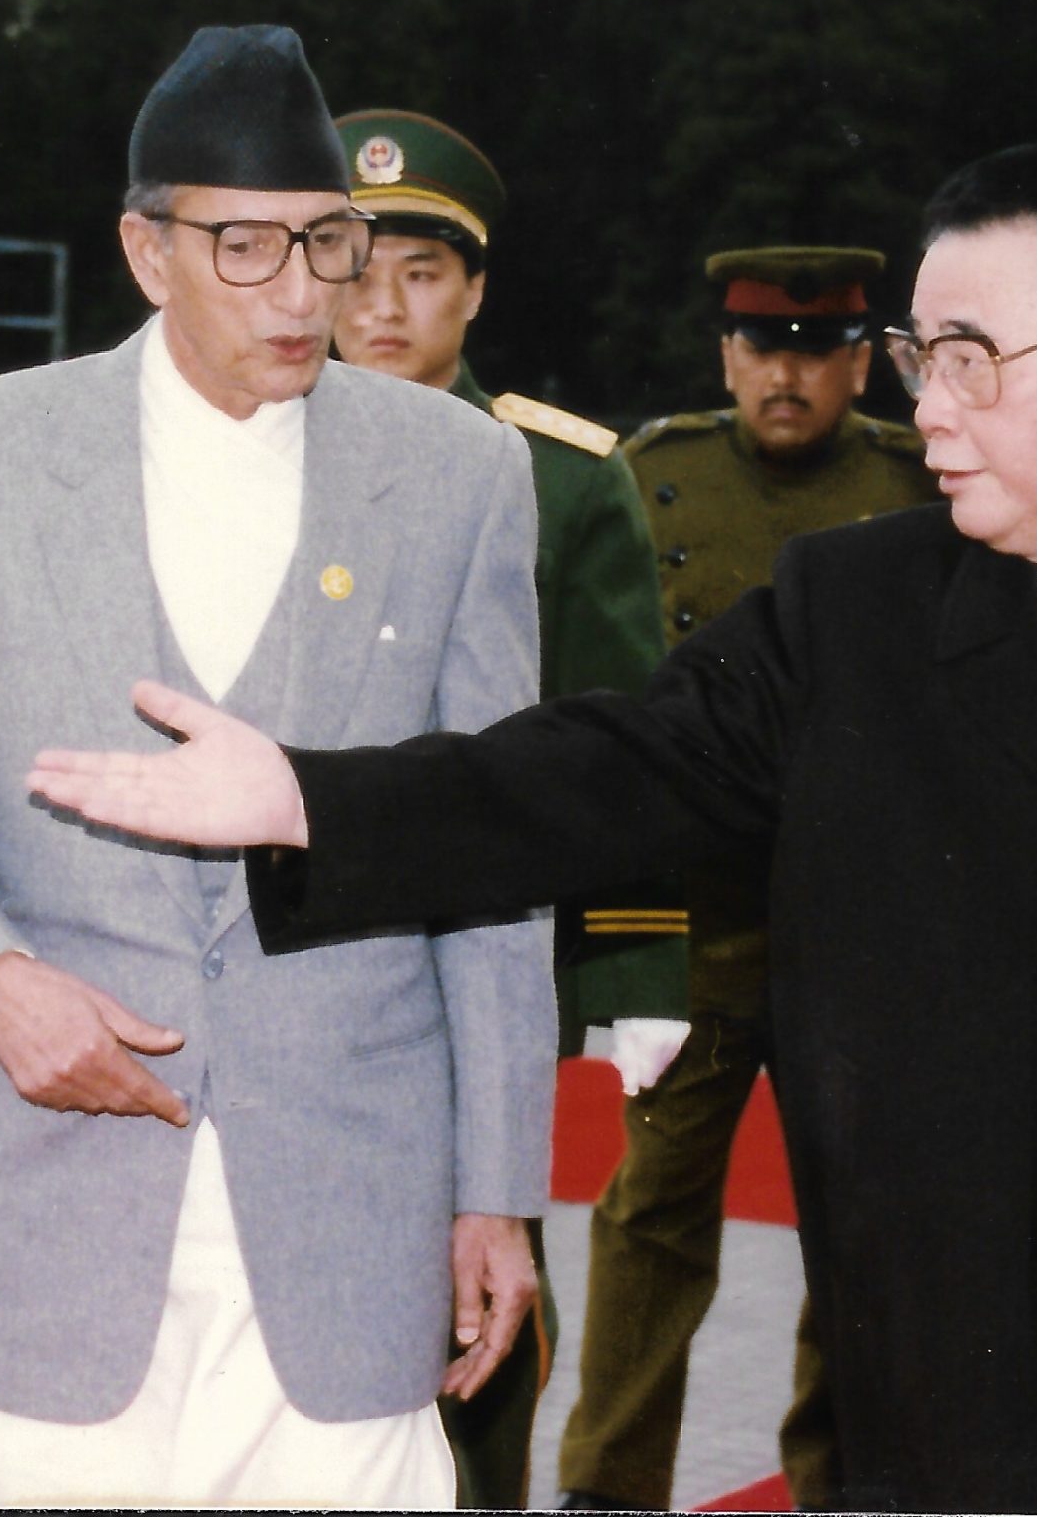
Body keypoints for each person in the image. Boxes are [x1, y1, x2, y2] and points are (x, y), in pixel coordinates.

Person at [26, 141, 1037, 1516]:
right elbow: (605, 767)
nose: (932, 404)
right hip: (947, 1418)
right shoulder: (858, 615)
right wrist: (307, 796)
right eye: (920, 356)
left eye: (975, 358)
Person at [0, 26, 556, 1510]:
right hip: (57, 1210)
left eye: (328, 242)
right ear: (147, 253)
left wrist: (497, 1188)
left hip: (353, 1217)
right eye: (247, 248)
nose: (303, 293)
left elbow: (491, 852)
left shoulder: (460, 475)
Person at [332, 105, 681, 1510]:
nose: (382, 307)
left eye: (420, 274)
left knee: (473, 1296)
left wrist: (637, 970)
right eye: (356, 269)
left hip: (477, 958)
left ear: (473, 292)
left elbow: (620, 744)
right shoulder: (251, 453)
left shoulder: (564, 478)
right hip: (292, 953)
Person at [561, 245, 936, 1512]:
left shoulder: (920, 483)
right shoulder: (650, 472)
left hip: (867, 927)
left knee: (860, 1222)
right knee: (651, 1212)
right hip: (703, 917)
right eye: (763, 347)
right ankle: (610, 1483)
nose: (788, 375)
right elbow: (614, 704)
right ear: (725, 356)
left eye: (818, 352)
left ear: (860, 365)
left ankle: (841, 1478)